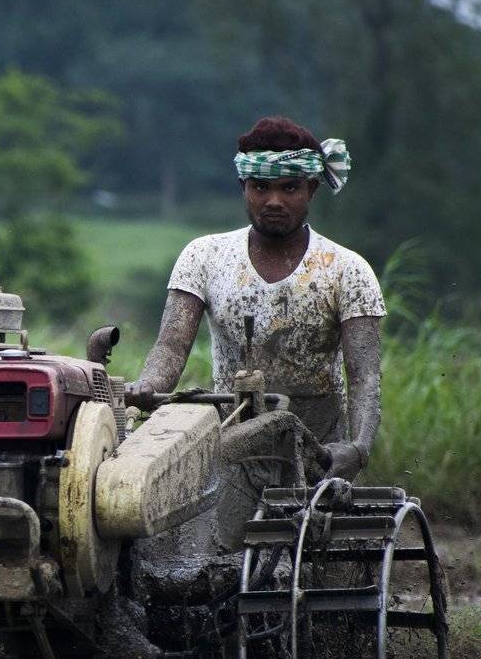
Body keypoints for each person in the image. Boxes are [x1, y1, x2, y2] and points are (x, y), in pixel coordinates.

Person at [125, 116, 384, 482]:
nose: (274, 201)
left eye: (289, 188)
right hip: (230, 448)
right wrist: (148, 386)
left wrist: (357, 448)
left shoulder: (346, 269)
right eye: (261, 187)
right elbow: (170, 348)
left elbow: (364, 377)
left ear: (311, 189)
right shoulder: (205, 256)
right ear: (243, 186)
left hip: (318, 454)